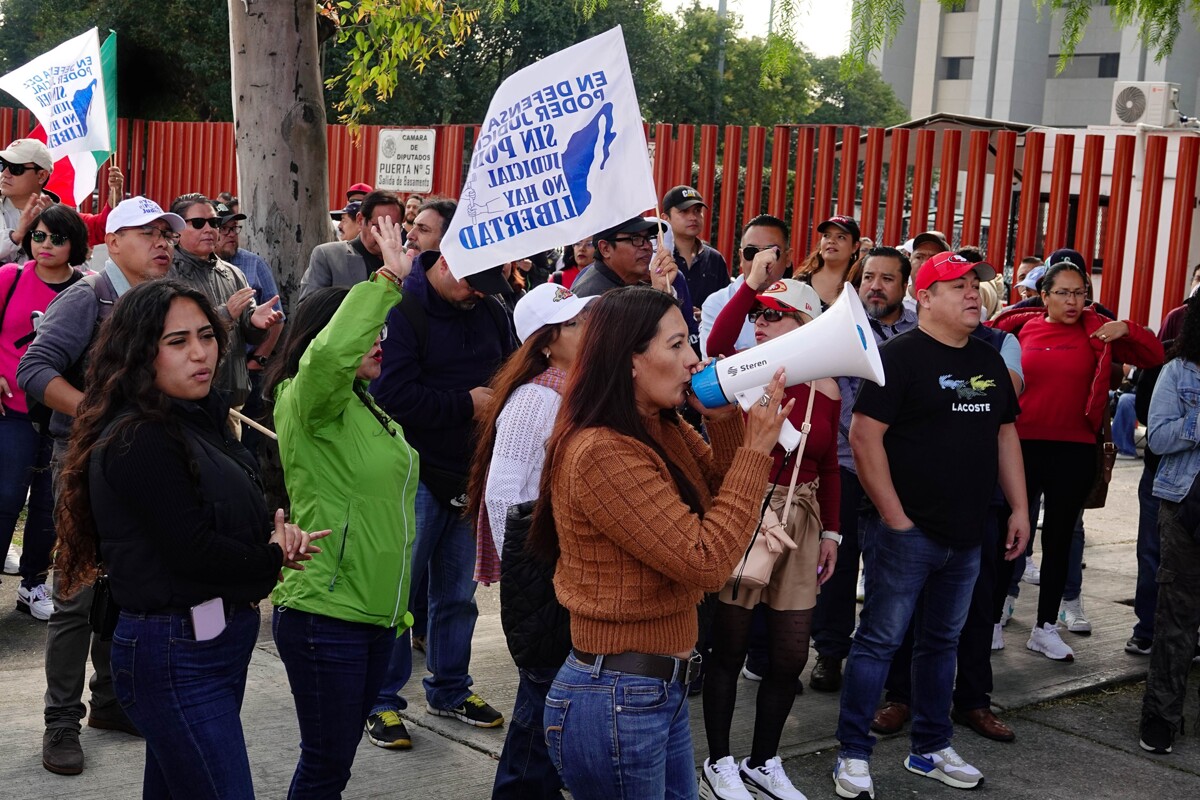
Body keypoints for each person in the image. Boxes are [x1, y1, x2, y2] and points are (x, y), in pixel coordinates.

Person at [52, 279, 326, 799]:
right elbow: (192, 549)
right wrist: (268, 557)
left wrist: (273, 537)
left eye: (206, 335)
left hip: (214, 637)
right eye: (177, 342)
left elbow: (216, 520)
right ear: (138, 352)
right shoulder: (140, 436)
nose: (200, 353)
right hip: (173, 652)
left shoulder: (199, 416)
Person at [528, 285, 790, 800]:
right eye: (676, 346)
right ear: (628, 360)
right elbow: (707, 560)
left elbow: (718, 496)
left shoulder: (656, 425)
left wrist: (725, 424)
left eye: (689, 342)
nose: (695, 359)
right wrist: (758, 450)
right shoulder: (602, 450)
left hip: (652, 688)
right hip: (617, 694)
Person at [834, 252, 1028, 799]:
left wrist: (1018, 509)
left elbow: (1005, 435)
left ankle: (930, 748)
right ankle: (852, 754)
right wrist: (895, 518)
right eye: (958, 285)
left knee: (942, 644)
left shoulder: (990, 361)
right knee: (878, 643)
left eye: (976, 285)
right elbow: (863, 436)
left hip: (967, 534)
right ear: (927, 296)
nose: (973, 293)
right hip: (906, 534)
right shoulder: (898, 357)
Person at [17, 196, 184, 776]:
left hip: (139, 460)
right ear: (113, 243)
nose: (162, 241)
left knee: (125, 583)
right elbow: (34, 370)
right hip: (82, 458)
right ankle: (61, 719)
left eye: (166, 232)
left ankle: (111, 703)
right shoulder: (87, 297)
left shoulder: (161, 304)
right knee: (76, 594)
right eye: (146, 233)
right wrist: (97, 414)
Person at [267, 216, 420, 796]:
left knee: (336, 765)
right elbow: (328, 360)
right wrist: (384, 282)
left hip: (375, 620)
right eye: (369, 330)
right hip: (325, 619)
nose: (380, 337)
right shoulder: (308, 401)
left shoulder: (363, 408)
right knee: (326, 765)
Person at [365, 249, 515, 747]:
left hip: (470, 475)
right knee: (397, 597)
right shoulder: (403, 311)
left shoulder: (490, 307)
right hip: (415, 476)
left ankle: (450, 689)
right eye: (475, 282)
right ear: (447, 263)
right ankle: (381, 700)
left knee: (456, 596)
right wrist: (464, 405)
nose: (479, 292)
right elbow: (389, 396)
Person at [702, 259, 839, 800]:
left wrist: (832, 534)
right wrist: (751, 286)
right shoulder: (745, 368)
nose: (760, 322)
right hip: (750, 510)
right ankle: (719, 762)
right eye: (759, 313)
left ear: (805, 324)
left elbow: (828, 465)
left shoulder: (827, 385)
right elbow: (715, 337)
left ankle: (764, 761)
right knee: (729, 649)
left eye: (775, 315)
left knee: (789, 655)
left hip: (802, 519)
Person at [989, 259, 1163, 661]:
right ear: (1044, 295)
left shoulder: (1097, 330)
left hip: (1075, 448)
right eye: (1063, 293)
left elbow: (1153, 355)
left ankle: (1045, 626)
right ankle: (992, 619)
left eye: (1080, 292)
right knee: (1009, 534)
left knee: (1060, 540)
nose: (1073, 301)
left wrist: (1127, 329)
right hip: (1020, 446)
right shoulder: (1018, 328)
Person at [465, 281, 595, 800]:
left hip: (566, 576)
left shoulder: (578, 390)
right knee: (538, 714)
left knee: (551, 709)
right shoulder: (535, 398)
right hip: (546, 580)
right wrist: (530, 578)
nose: (589, 329)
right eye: (576, 324)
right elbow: (503, 497)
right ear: (545, 342)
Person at [810, 247, 918, 694]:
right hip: (845, 464)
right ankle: (830, 653)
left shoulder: (920, 333)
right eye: (868, 276)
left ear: (904, 287)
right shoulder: (835, 325)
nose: (875, 285)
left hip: (900, 468)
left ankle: (881, 660)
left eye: (887, 278)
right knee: (836, 565)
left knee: (888, 568)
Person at [0, 205, 89, 622]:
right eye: (38, 236)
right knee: (6, 497)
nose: (46, 245)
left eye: (57, 238)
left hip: (63, 416)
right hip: (13, 409)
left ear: (75, 244)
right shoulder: (10, 278)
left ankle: (33, 584)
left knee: (50, 506)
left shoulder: (89, 290)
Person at [1139, 294, 1200, 754]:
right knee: (1176, 618)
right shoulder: (1178, 372)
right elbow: (1156, 437)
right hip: (1185, 507)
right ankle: (1160, 716)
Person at [168, 193, 282, 411]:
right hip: (185, 401)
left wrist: (256, 324)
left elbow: (247, 333)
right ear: (177, 230)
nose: (209, 229)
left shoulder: (233, 273)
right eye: (199, 223)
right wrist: (225, 314)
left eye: (214, 223)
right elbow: (174, 331)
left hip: (232, 398)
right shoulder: (167, 272)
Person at [701, 215, 792, 356]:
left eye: (772, 252)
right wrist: (752, 283)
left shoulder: (799, 298)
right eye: (751, 252)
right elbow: (716, 359)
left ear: (788, 258)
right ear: (741, 257)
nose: (761, 260)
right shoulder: (716, 303)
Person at [300, 190, 404, 301]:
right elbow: (308, 309)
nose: (385, 234)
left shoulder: (408, 261)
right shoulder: (329, 257)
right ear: (360, 220)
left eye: (392, 227)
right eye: (379, 226)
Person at [660, 185, 729, 316]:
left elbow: (726, 304)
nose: (693, 217)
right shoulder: (658, 258)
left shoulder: (715, 259)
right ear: (665, 218)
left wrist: (707, 315)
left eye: (697, 210)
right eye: (684, 211)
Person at [0, 138, 55, 264]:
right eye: (2, 165)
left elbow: (77, 267)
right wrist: (16, 236)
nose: (5, 173)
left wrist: (55, 226)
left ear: (41, 176)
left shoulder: (58, 213)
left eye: (15, 168)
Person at [795, 215, 861, 308]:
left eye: (841, 237)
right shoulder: (799, 282)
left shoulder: (860, 286)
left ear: (855, 247)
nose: (831, 241)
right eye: (826, 235)